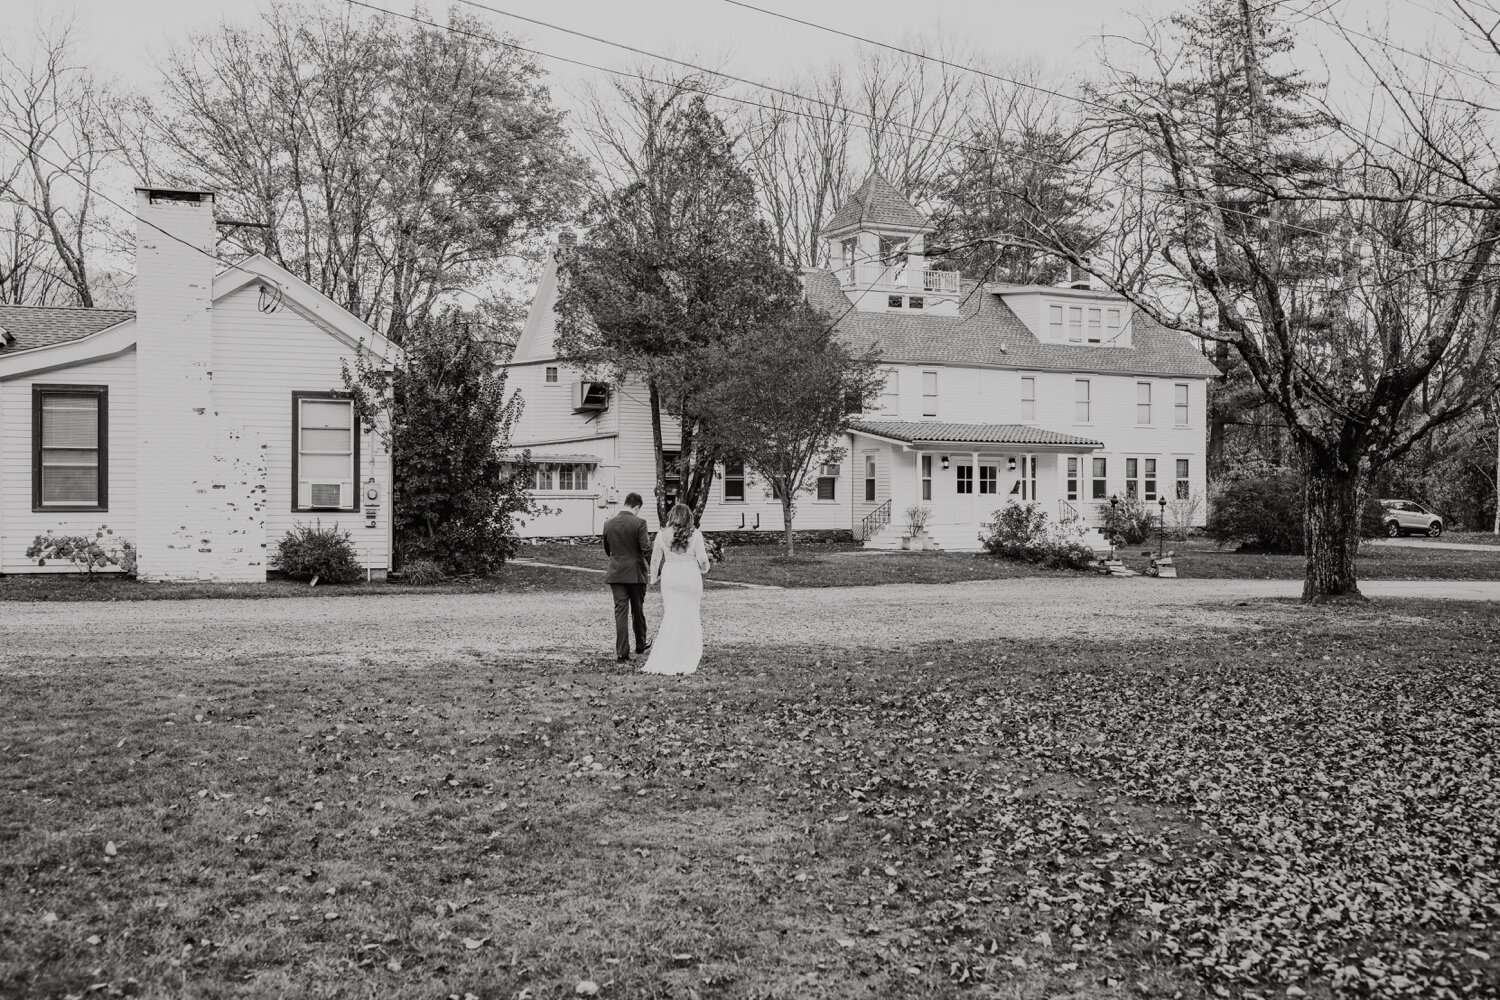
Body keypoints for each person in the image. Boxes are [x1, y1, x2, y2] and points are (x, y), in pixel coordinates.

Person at [642, 502, 711, 676]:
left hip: (670, 576)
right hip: (690, 576)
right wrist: (705, 568)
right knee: (690, 614)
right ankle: (688, 652)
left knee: (672, 614)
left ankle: (667, 652)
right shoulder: (695, 534)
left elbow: (655, 560)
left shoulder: (661, 534)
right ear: (689, 517)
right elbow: (702, 559)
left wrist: (653, 577)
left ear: (672, 516)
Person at [602, 493, 652, 663]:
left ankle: (622, 653)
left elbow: (607, 549)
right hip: (636, 573)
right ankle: (640, 643)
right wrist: (655, 567)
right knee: (637, 610)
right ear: (637, 507)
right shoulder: (640, 523)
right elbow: (646, 549)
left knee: (620, 613)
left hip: (616, 573)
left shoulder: (608, 523)